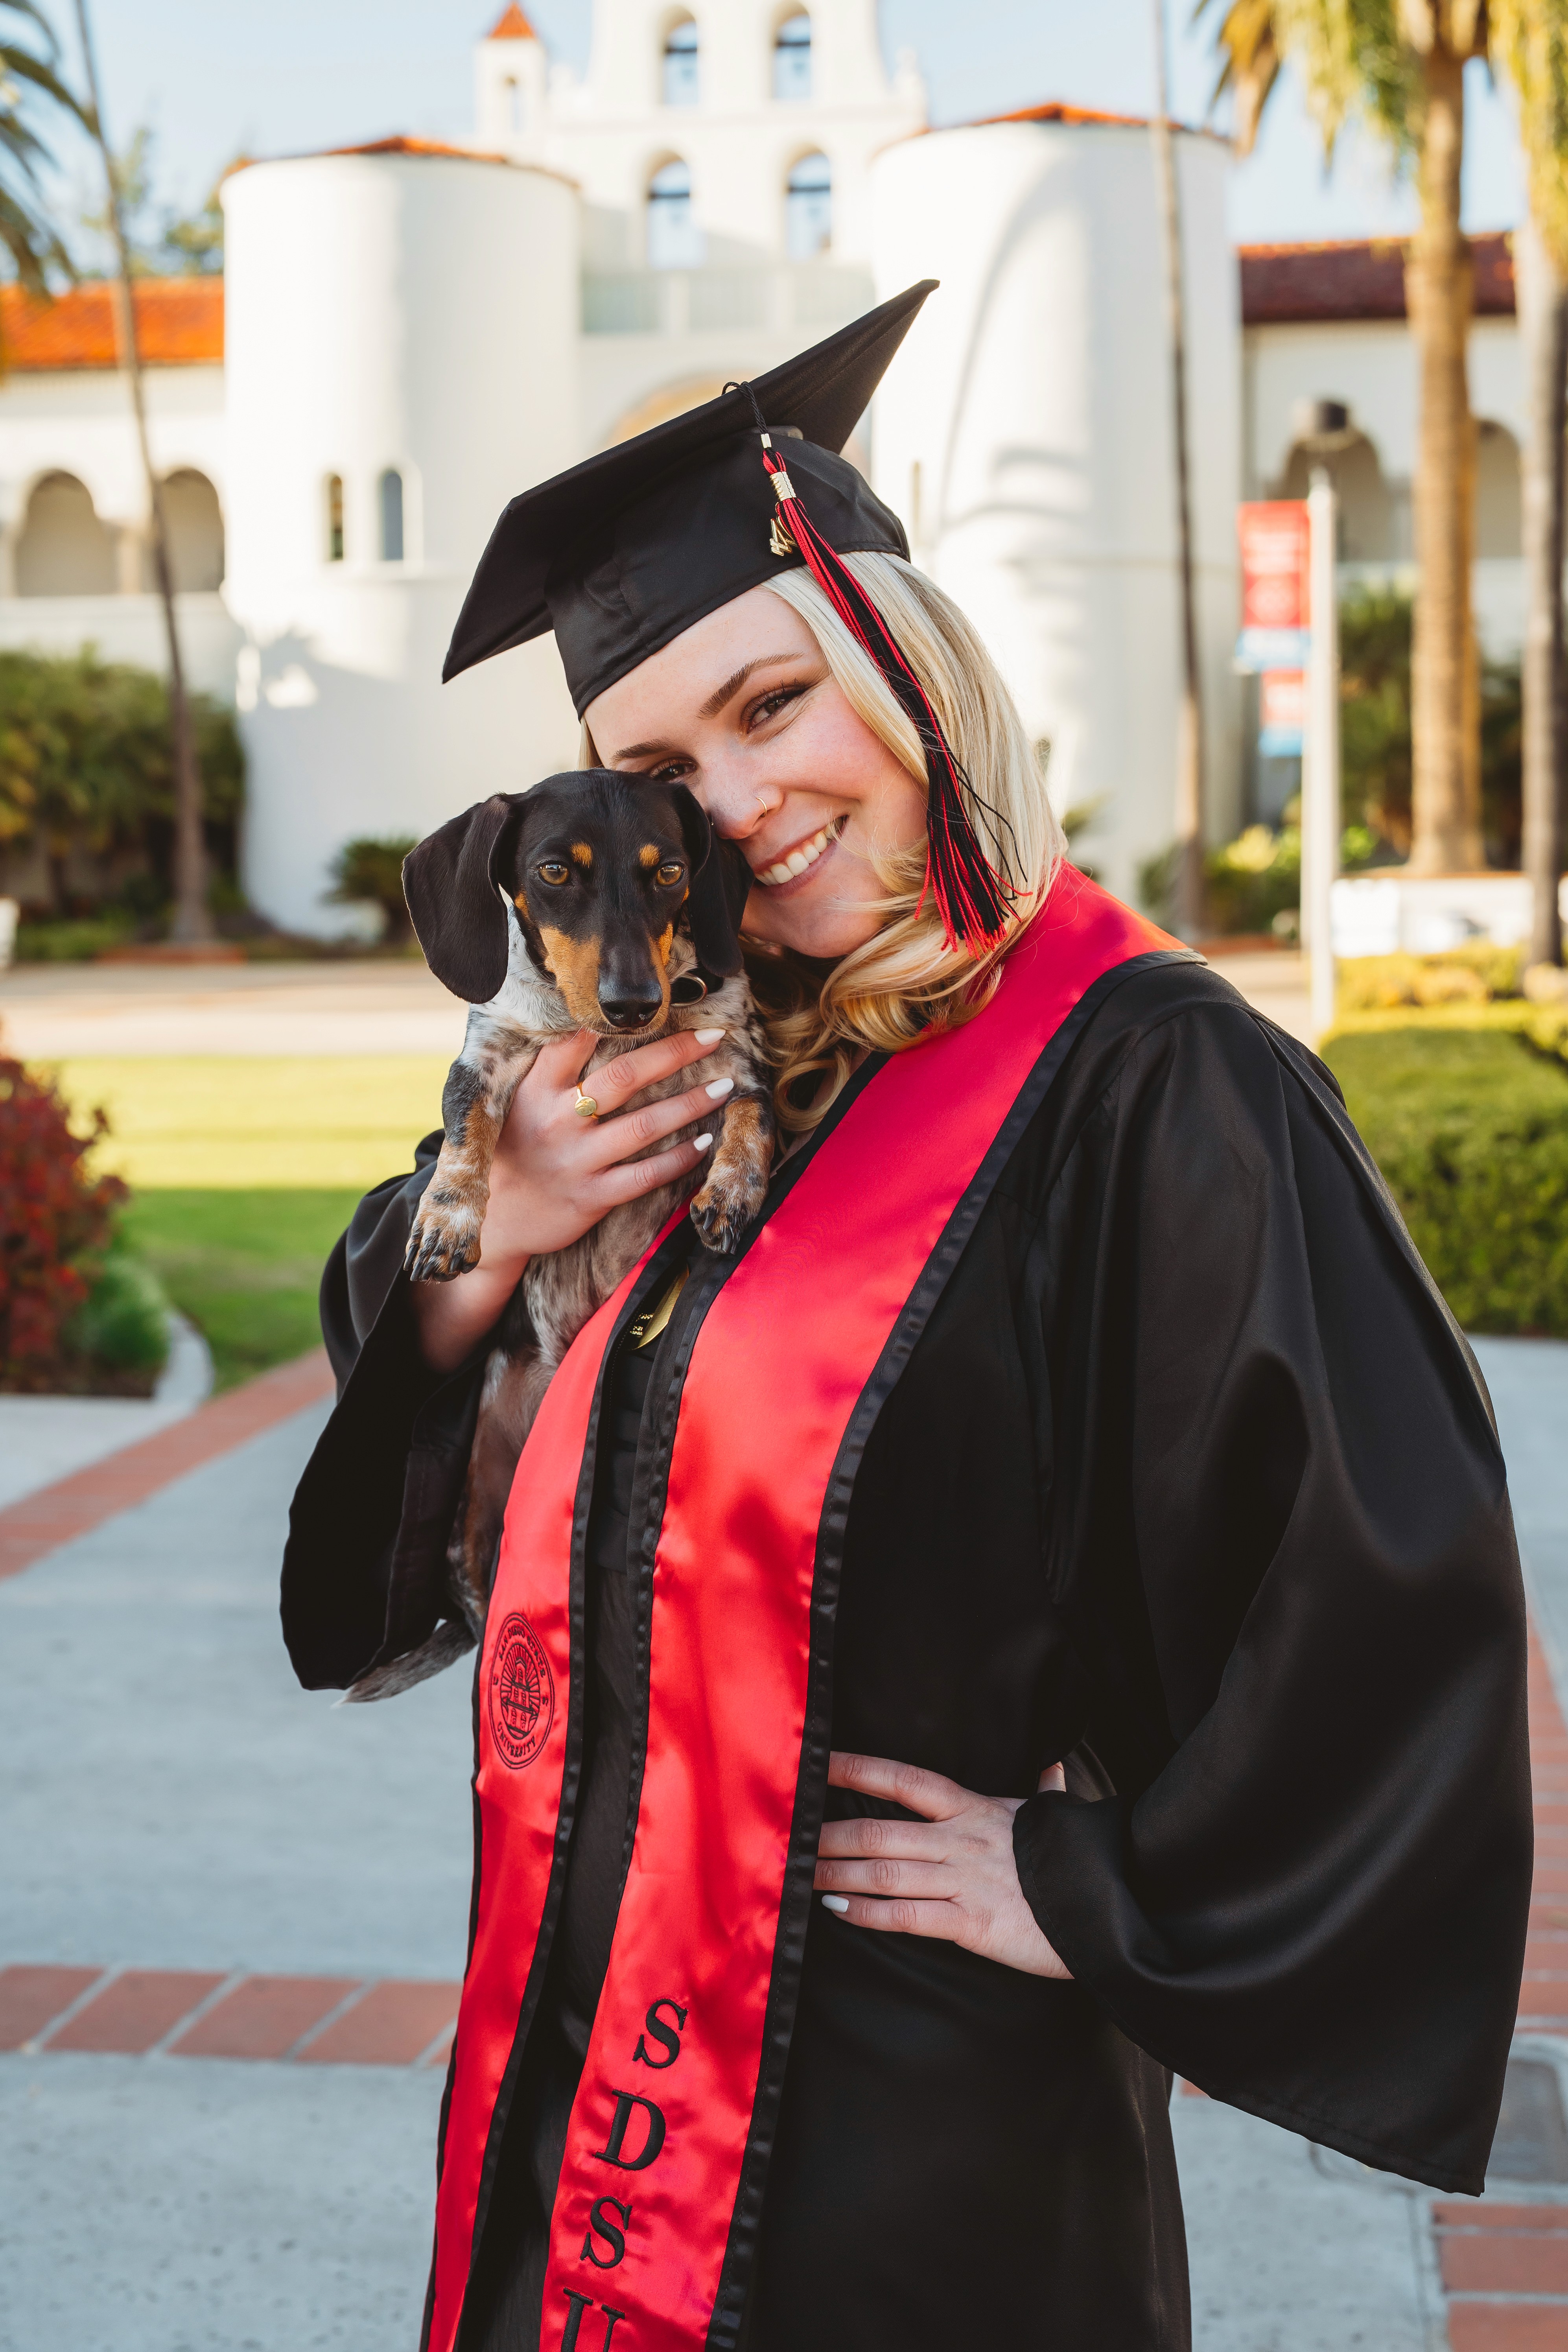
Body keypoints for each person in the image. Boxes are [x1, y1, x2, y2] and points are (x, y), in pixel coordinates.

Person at [283, 286, 1532, 2352]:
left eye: (776, 703)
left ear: (914, 668)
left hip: (916, 2148)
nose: (738, 801)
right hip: (565, 2075)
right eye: (659, 762)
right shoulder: (676, 1084)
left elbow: (1389, 1579)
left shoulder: (1143, 1078)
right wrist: (480, 1245)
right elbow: (400, 1512)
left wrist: (1093, 1885)